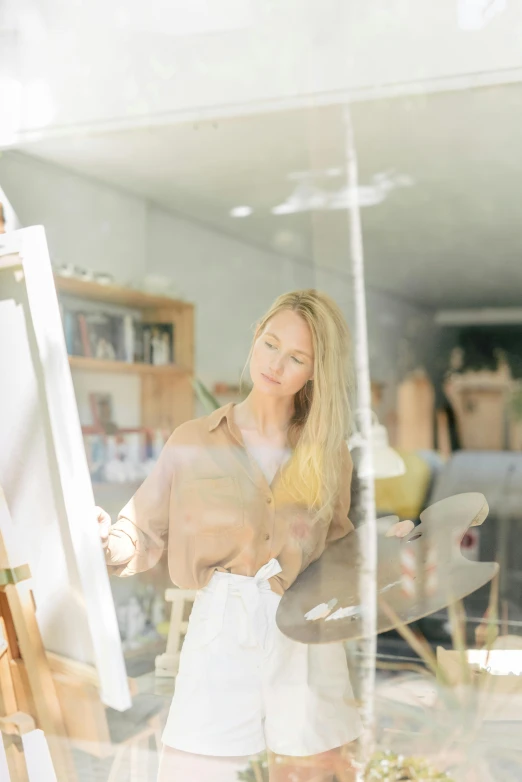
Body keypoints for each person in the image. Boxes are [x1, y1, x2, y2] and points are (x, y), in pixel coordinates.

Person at [97, 290, 413, 782]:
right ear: (256, 336)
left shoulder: (328, 453)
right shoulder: (193, 439)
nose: (276, 364)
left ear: (314, 371)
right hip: (222, 627)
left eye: (296, 357)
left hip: (305, 628)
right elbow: (141, 530)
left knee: (317, 770)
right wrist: (105, 543)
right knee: (198, 771)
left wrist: (380, 547)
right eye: (270, 344)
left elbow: (336, 553)